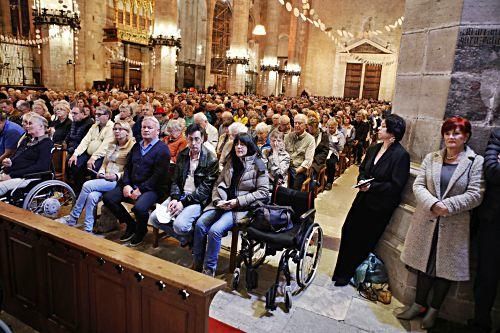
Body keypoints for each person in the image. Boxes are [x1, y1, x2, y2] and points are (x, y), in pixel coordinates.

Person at [399, 117, 484, 329]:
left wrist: (448, 206)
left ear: (466, 136)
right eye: (447, 133)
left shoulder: (475, 162)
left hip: (453, 223)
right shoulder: (432, 157)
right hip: (427, 219)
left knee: (444, 268)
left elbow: (476, 194)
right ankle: (418, 304)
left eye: (456, 133)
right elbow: (418, 185)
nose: (450, 137)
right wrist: (433, 203)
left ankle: (434, 310)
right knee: (423, 264)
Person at [332, 114, 410, 286]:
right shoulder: (375, 148)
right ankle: (341, 271)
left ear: (393, 133)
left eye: (383, 127)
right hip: (362, 199)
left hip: (379, 206)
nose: (378, 129)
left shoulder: (400, 155)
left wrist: (372, 187)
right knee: (348, 231)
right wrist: (362, 179)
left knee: (363, 239)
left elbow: (396, 185)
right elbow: (363, 168)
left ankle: (351, 273)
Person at [192, 133, 269, 276]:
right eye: (236, 144)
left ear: (249, 146)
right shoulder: (231, 160)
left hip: (241, 208)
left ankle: (209, 270)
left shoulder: (258, 164)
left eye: (242, 144)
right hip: (222, 203)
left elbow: (264, 192)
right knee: (200, 224)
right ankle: (197, 263)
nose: (238, 147)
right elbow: (217, 183)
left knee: (215, 230)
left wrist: (237, 201)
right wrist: (217, 200)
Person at [103, 116, 171, 247]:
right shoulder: (136, 146)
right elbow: (128, 167)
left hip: (152, 188)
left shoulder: (162, 149)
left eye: (149, 128)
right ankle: (131, 224)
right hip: (132, 184)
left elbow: (158, 176)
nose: (145, 130)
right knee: (109, 198)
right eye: (143, 127)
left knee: (139, 208)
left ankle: (141, 230)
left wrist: (141, 190)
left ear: (157, 131)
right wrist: (127, 184)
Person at [57, 120, 135, 232]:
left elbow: (130, 170)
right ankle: (88, 228)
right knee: (91, 196)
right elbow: (105, 162)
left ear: (127, 132)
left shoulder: (132, 146)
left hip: (117, 181)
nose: (117, 131)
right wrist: (102, 171)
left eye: (120, 129)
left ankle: (73, 217)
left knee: (87, 185)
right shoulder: (112, 144)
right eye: (115, 129)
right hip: (105, 178)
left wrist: (116, 176)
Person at [149, 124, 219, 246]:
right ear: (186, 138)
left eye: (197, 139)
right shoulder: (183, 154)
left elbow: (204, 191)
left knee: (179, 226)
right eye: (190, 139)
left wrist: (182, 203)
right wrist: (175, 198)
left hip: (197, 199)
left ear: (202, 139)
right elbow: (175, 180)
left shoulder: (211, 160)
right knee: (154, 218)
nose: (193, 143)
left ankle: (188, 235)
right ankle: (188, 239)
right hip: (180, 195)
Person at [472, 128, 500, 333]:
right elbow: (491, 170)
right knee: (486, 276)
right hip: (494, 222)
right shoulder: (499, 135)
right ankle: (481, 322)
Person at [0, 113, 53, 196]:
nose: (27, 126)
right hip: (12, 172)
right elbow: (16, 156)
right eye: (27, 123)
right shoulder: (26, 140)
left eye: (30, 123)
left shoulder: (46, 143)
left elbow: (42, 167)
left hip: (28, 177)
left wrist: (11, 175)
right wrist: (10, 161)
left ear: (41, 126)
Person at [67, 105, 114, 191]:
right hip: (89, 154)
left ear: (107, 116)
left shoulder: (111, 127)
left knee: (93, 167)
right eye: (96, 114)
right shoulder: (94, 126)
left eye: (99, 114)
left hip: (102, 156)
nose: (96, 116)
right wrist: (75, 154)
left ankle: (91, 191)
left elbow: (105, 146)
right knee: (74, 163)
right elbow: (85, 141)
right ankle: (78, 190)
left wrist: (93, 158)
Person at [284, 114, 315, 190]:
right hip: (285, 167)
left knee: (294, 187)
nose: (297, 125)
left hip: (299, 169)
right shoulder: (288, 136)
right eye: (295, 123)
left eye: (300, 123)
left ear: (305, 125)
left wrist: (295, 171)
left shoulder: (310, 139)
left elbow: (308, 160)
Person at [325, 118, 346, 190]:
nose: (330, 129)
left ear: (336, 126)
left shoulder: (340, 135)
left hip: (334, 152)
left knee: (331, 163)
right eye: (329, 127)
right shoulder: (326, 132)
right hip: (325, 150)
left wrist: (336, 143)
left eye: (332, 128)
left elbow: (341, 149)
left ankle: (329, 182)